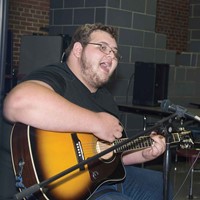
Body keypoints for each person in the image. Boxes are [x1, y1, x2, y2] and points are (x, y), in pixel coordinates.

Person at [1, 23, 171, 200]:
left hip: (94, 179)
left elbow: (111, 155)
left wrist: (143, 154)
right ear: (77, 50)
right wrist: (96, 122)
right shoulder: (58, 76)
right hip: (49, 187)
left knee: (160, 184)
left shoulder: (106, 100)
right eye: (102, 47)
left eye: (114, 52)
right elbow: (18, 102)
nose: (111, 56)